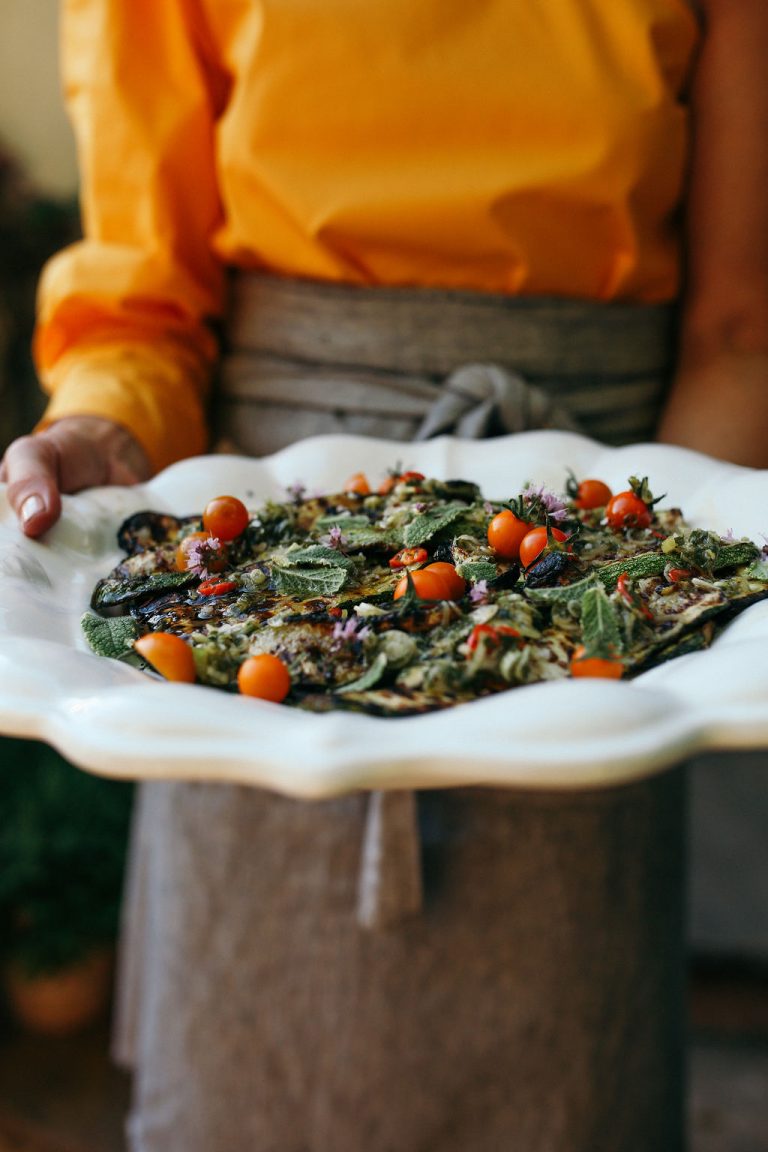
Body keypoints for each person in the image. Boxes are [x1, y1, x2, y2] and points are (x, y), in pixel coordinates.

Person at [1, 3, 767, 1150]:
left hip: (590, 611)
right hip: (255, 601)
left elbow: (739, 330)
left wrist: (663, 601)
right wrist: (108, 433)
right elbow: (143, 305)